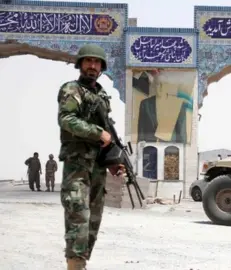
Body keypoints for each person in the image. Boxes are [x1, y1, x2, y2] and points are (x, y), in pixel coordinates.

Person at [57, 44, 125, 269]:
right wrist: (98, 133)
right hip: (77, 167)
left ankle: (81, 265)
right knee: (79, 221)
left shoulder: (103, 96)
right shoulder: (71, 89)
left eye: (97, 62)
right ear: (80, 64)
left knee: (93, 222)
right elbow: (67, 120)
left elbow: (107, 133)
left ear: (102, 67)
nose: (92, 66)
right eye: (88, 61)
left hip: (97, 169)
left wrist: (113, 161)